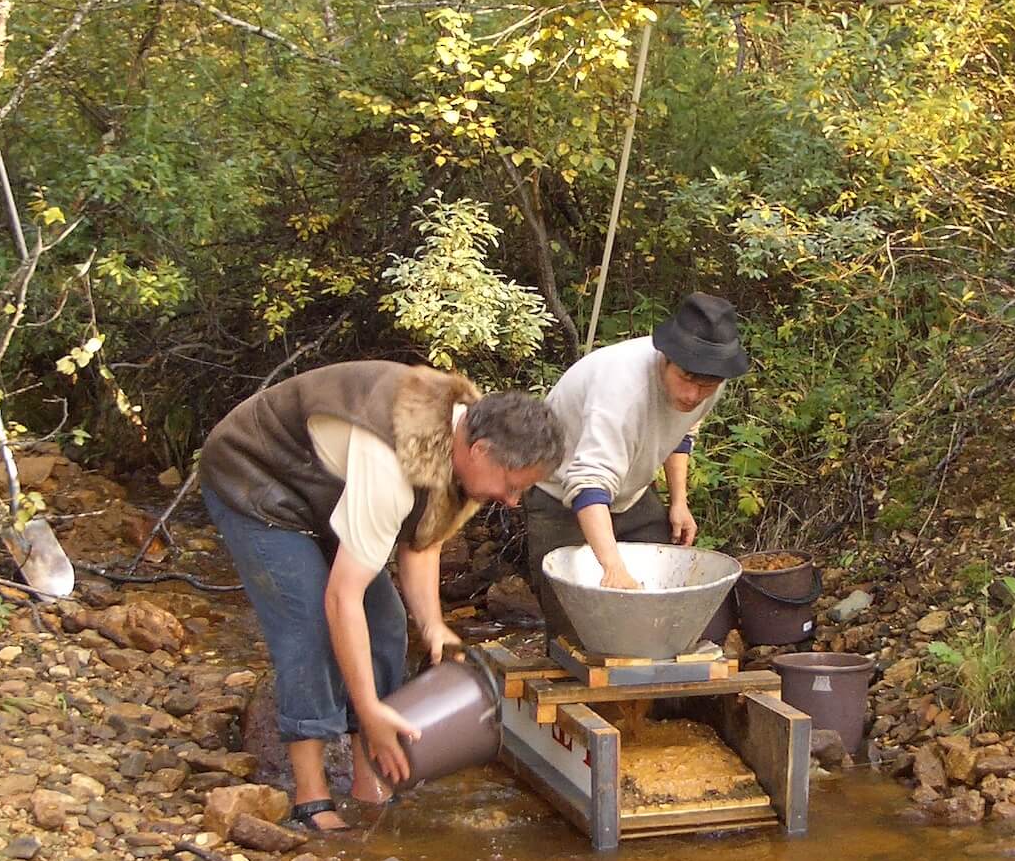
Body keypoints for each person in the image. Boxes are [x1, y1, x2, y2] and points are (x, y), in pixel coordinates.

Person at [199, 361, 564, 831]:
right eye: (513, 487)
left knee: (388, 624)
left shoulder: (471, 448)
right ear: (479, 451)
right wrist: (369, 708)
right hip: (255, 477)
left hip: (326, 490)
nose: (513, 501)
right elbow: (341, 601)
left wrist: (433, 625)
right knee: (308, 623)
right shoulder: (390, 458)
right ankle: (311, 799)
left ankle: (368, 775)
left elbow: (422, 541)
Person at [524, 293, 750, 643]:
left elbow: (681, 431)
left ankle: (655, 692)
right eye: (686, 379)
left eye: (706, 386)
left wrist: (679, 501)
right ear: (666, 357)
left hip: (630, 492)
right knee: (579, 629)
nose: (693, 395)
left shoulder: (709, 381)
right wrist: (612, 567)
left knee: (660, 607)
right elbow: (588, 482)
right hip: (560, 492)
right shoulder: (621, 389)